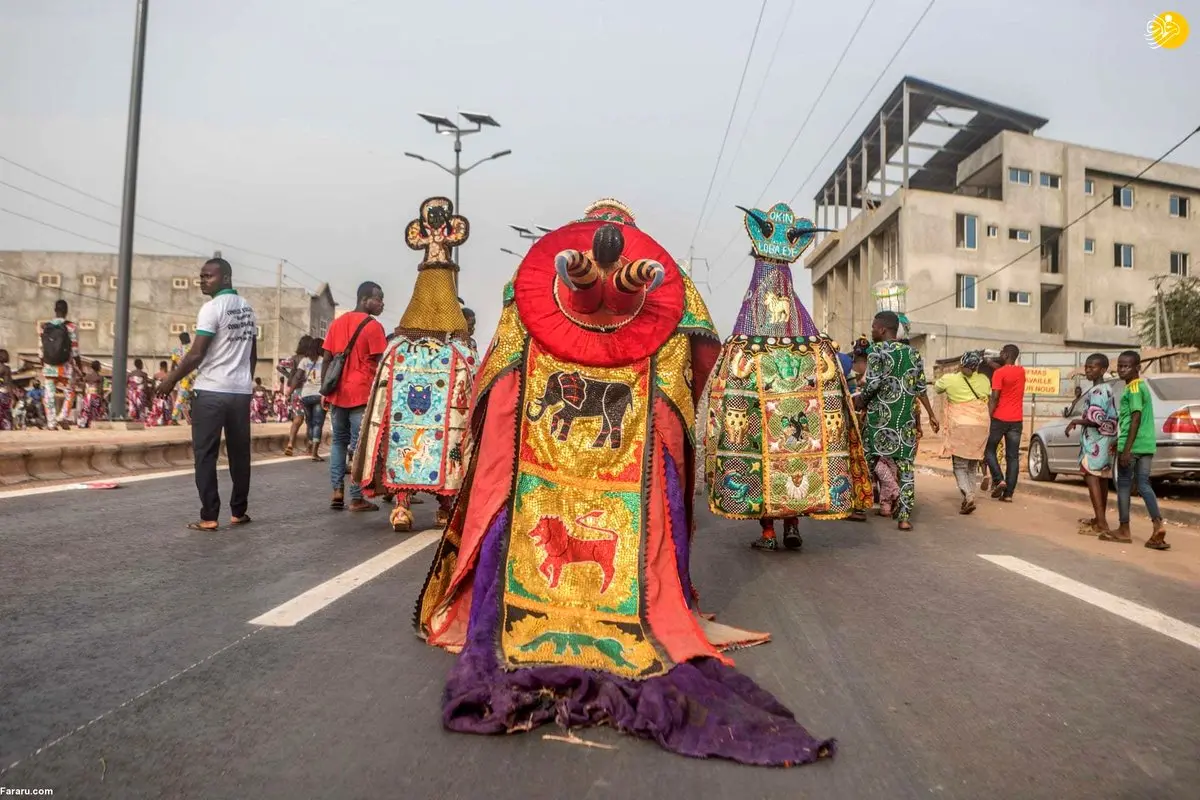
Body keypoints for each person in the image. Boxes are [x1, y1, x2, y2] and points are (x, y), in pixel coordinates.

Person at [414, 198, 834, 766]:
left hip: (548, 439)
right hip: (629, 436)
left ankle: (525, 608)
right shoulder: (673, 291)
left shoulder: (531, 289)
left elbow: (502, 378)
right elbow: (690, 375)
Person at [705, 202, 871, 550]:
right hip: (799, 425)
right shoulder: (814, 346)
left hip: (761, 422)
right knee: (796, 461)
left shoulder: (744, 344)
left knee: (762, 465)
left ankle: (768, 534)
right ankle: (793, 525)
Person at [353, 199, 479, 532]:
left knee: (413, 442)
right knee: (447, 441)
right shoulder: (462, 352)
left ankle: (404, 505)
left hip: (412, 414)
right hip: (435, 411)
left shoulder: (398, 349)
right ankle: (441, 506)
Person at [156, 257, 257, 532]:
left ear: (226, 278)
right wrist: (244, 381)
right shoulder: (248, 309)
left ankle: (209, 516)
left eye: (208, 276)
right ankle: (239, 512)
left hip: (211, 391)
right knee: (240, 454)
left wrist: (170, 380)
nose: (202, 281)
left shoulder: (211, 308)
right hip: (239, 393)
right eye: (201, 276)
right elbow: (252, 354)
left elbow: (196, 353)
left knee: (205, 455)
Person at [856, 311, 939, 530]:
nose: (872, 331)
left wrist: (862, 402)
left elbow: (873, 383)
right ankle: (904, 518)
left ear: (882, 329)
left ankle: (859, 507)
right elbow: (920, 388)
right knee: (906, 468)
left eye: (873, 327)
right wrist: (931, 414)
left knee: (867, 462)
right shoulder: (913, 353)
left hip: (879, 420)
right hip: (905, 420)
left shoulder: (876, 350)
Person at [322, 280, 388, 512]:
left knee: (338, 442)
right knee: (359, 446)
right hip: (361, 394)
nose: (382, 304)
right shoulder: (374, 327)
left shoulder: (337, 323)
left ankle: (337, 491)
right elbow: (381, 365)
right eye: (378, 299)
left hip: (337, 393)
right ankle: (356, 497)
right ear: (364, 299)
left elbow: (327, 359)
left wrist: (324, 390)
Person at [1105, 351, 1169, 550]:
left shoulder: (1133, 388)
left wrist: (1126, 449)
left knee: (1124, 485)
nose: (1122, 370)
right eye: (1120, 366)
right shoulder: (1142, 387)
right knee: (1143, 484)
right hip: (1147, 445)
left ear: (1137, 368)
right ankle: (1158, 524)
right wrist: (1118, 440)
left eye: (1127, 366)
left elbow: (1135, 418)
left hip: (1132, 446)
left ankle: (1124, 529)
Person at [1065, 354, 1117, 536]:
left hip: (1095, 442)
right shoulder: (1106, 388)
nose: (1088, 370)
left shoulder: (1098, 392)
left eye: (1092, 367)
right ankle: (1099, 518)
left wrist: (1076, 421)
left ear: (1103, 370)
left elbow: (1096, 419)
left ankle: (1101, 523)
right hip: (1105, 440)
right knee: (1101, 478)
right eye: (1086, 367)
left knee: (1091, 477)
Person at [934, 351, 992, 514]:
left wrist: (954, 375)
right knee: (972, 464)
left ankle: (968, 496)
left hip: (960, 425)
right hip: (981, 425)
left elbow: (937, 388)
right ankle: (970, 495)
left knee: (960, 465)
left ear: (961, 364)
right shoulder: (984, 380)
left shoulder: (950, 379)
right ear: (976, 367)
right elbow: (987, 396)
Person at [984, 344, 1025, 502]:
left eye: (1002, 352)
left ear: (1006, 355)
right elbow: (1007, 372)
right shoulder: (1021, 371)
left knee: (989, 450)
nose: (1000, 353)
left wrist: (988, 415)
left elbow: (994, 397)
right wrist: (990, 363)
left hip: (999, 418)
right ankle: (1008, 494)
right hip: (1016, 420)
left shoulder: (999, 373)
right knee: (1012, 457)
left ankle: (998, 479)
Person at [39, 299, 80, 429]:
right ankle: (62, 417)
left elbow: (41, 349)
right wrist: (79, 367)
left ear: (55, 310)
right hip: (65, 367)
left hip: (49, 366)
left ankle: (51, 422)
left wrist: (43, 364)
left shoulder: (45, 327)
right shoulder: (71, 327)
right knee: (70, 392)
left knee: (49, 394)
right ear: (66, 311)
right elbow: (75, 351)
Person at [169, 332, 194, 425]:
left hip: (180, 376)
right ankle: (173, 418)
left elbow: (172, 365)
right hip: (189, 377)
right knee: (182, 397)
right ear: (188, 339)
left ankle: (188, 419)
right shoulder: (191, 350)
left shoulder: (176, 350)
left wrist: (172, 377)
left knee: (184, 398)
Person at [77, 360, 106, 428]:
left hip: (87, 395)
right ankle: (91, 423)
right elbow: (100, 389)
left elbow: (84, 387)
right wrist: (101, 399)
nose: (100, 367)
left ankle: (83, 423)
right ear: (98, 367)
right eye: (100, 366)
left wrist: (84, 396)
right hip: (95, 396)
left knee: (86, 410)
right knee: (95, 410)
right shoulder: (100, 377)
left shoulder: (87, 376)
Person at [146, 360, 173, 427]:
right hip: (165, 395)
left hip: (157, 395)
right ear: (166, 366)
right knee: (167, 408)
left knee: (157, 409)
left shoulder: (156, 375)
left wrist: (152, 396)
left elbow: (153, 386)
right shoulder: (168, 375)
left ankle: (157, 421)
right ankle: (165, 421)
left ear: (160, 367)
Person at [0, 349, 13, 430]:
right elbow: (9, 383)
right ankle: (7, 426)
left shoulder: (3, 368)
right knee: (6, 410)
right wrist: (12, 395)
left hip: (2, 391)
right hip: (5, 392)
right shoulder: (7, 368)